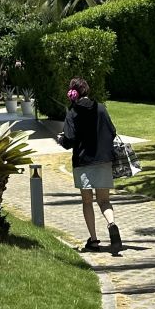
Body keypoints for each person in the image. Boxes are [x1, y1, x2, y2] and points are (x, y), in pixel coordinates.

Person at [58, 77, 123, 253]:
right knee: (104, 201)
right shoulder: (101, 108)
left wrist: (61, 139)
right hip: (103, 161)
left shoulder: (72, 113)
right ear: (87, 91)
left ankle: (93, 240)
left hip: (83, 162)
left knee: (87, 201)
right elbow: (112, 131)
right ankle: (112, 224)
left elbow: (69, 139)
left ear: (73, 93)